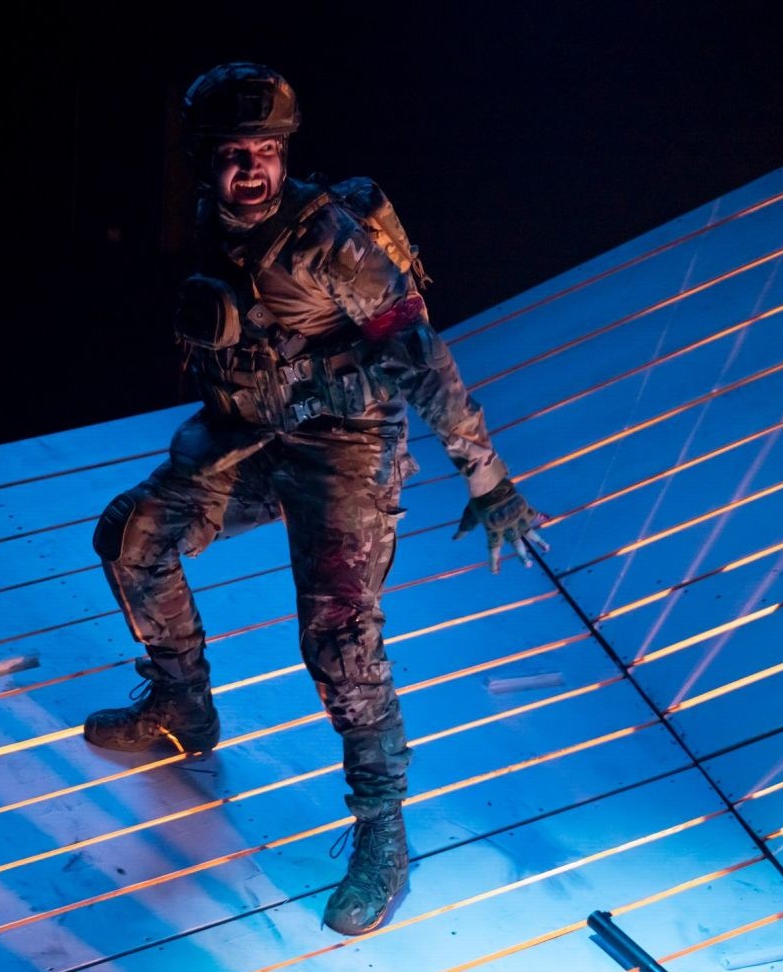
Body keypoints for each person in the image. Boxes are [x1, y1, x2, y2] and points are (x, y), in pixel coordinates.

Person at [84, 62, 547, 936]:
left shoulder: (327, 241)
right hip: (250, 438)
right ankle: (182, 703)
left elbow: (420, 354)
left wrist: (487, 480)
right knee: (133, 537)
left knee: (339, 636)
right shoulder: (208, 222)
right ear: (205, 159)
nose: (251, 169)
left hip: (345, 448)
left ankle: (382, 830)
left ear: (285, 153)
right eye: (234, 153)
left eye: (265, 151)